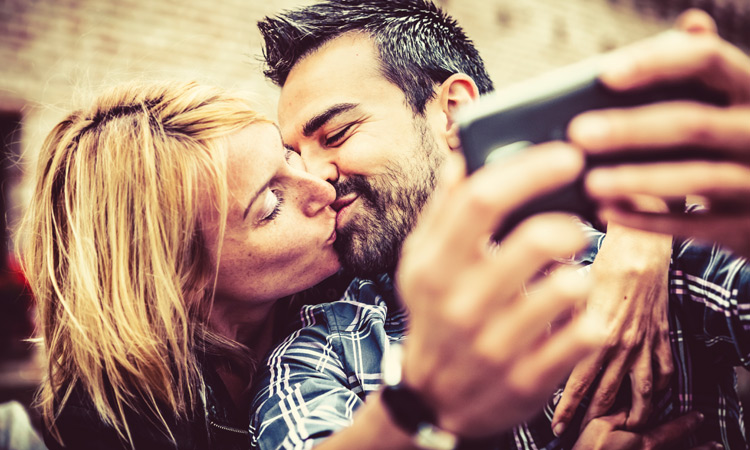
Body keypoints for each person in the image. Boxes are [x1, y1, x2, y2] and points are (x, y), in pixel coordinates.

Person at [250, 1, 750, 448]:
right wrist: (421, 410)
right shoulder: (320, 353)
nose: (314, 178)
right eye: (295, 156)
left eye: (336, 133)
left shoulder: (640, 267)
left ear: (453, 110)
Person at [20, 80, 600, 450]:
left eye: (289, 158)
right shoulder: (108, 423)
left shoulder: (349, 275)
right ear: (181, 280)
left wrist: (637, 243)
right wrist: (417, 406)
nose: (320, 183)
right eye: (269, 205)